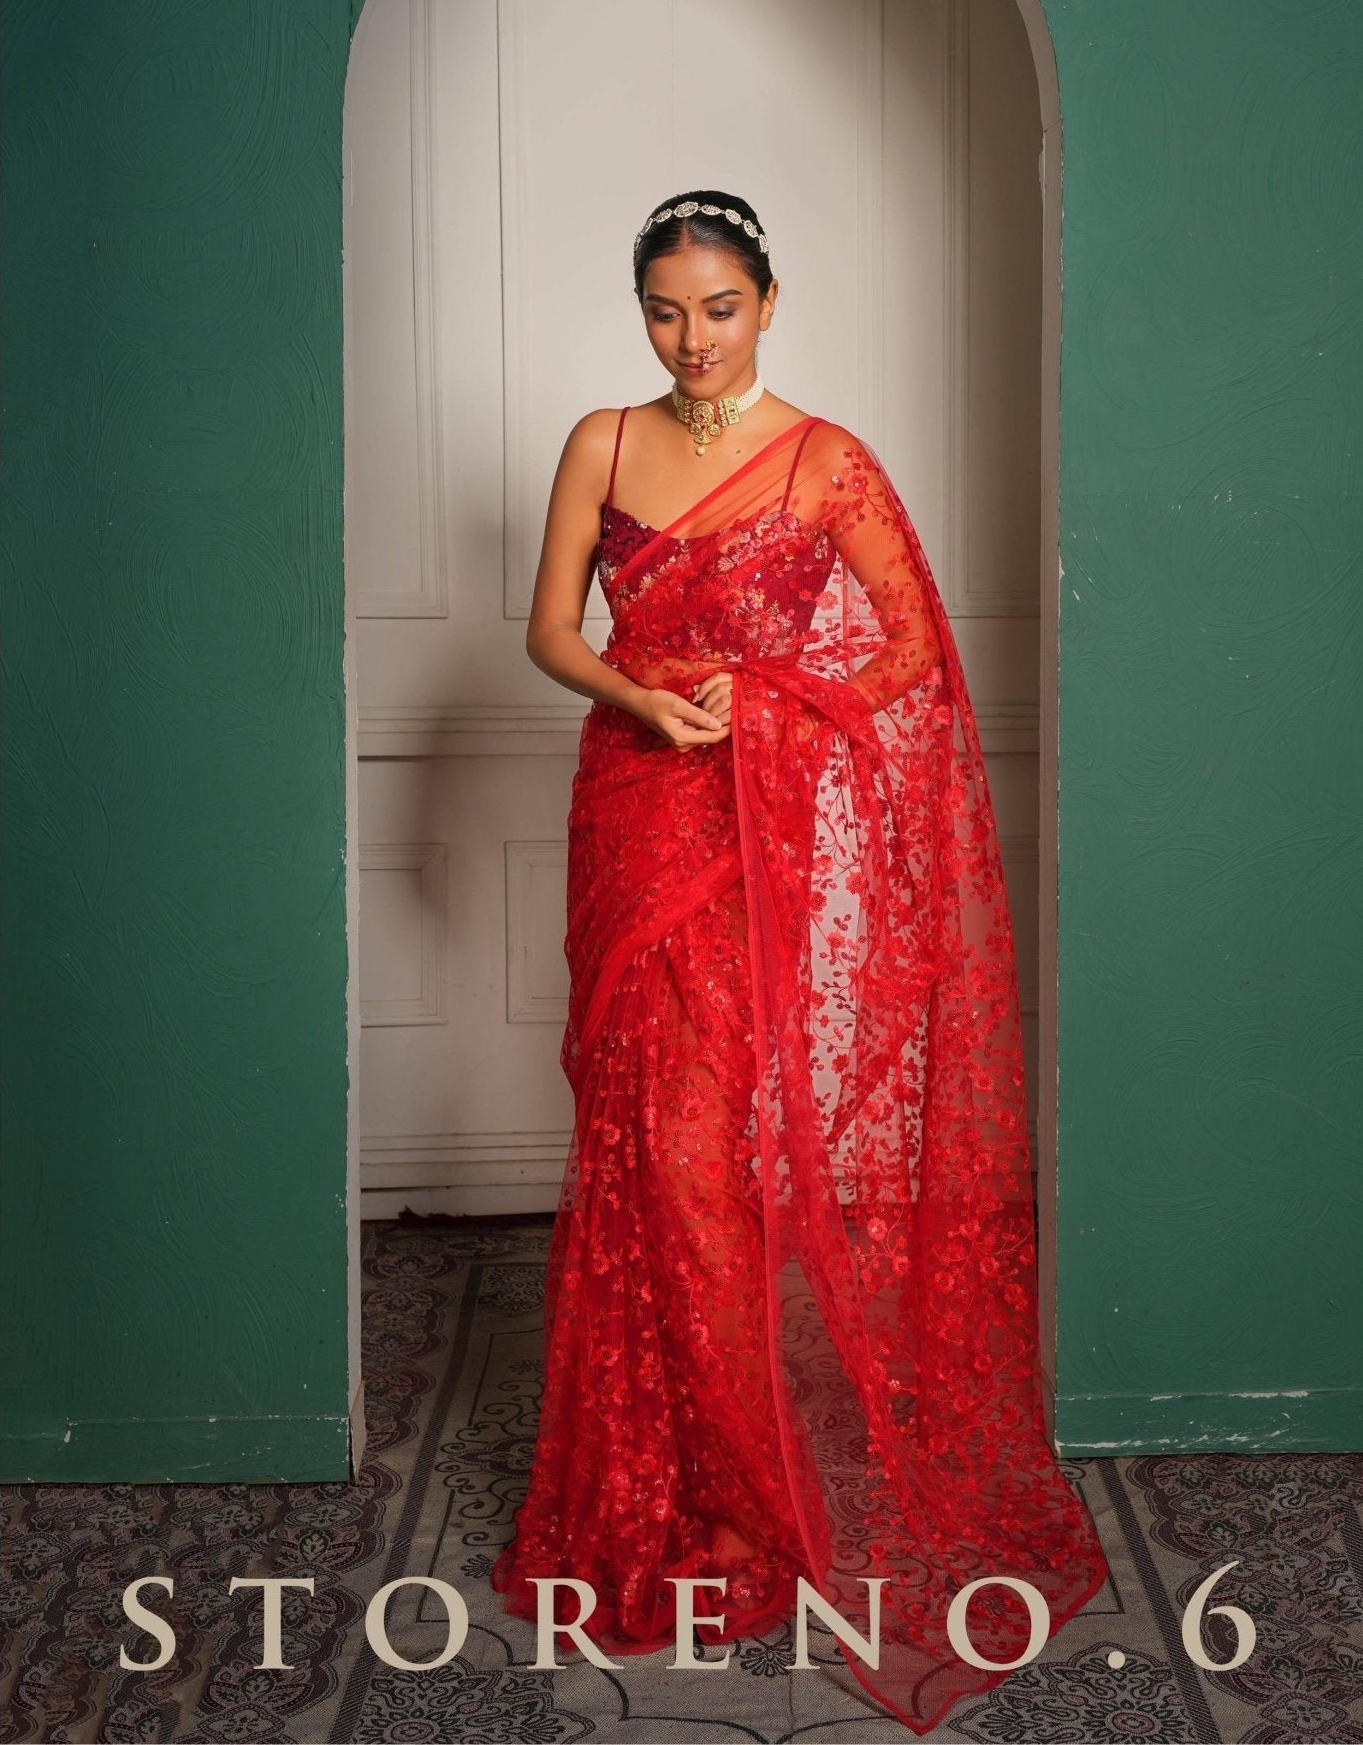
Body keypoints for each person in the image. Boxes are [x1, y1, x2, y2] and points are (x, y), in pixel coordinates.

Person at [490, 189, 1109, 1733]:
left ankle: (750, 1493)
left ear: (767, 300)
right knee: (638, 1143)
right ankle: (660, 1477)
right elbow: (552, 632)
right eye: (661, 310)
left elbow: (910, 647)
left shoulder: (827, 459)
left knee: (706, 1161)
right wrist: (642, 701)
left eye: (716, 308)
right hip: (631, 810)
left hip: (754, 830)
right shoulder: (599, 441)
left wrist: (762, 704)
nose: (688, 341)